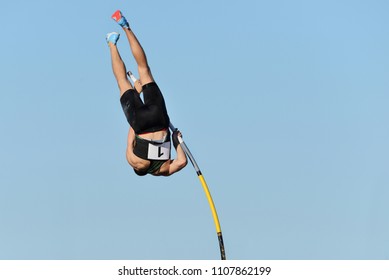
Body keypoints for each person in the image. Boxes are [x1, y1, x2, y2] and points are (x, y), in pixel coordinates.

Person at [106, 10, 187, 176]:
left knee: (144, 71)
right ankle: (115, 39)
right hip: (140, 125)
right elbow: (131, 136)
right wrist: (136, 92)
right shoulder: (134, 162)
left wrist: (176, 141)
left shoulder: (163, 170)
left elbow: (182, 161)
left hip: (161, 121)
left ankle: (122, 30)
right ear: (137, 170)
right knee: (127, 79)